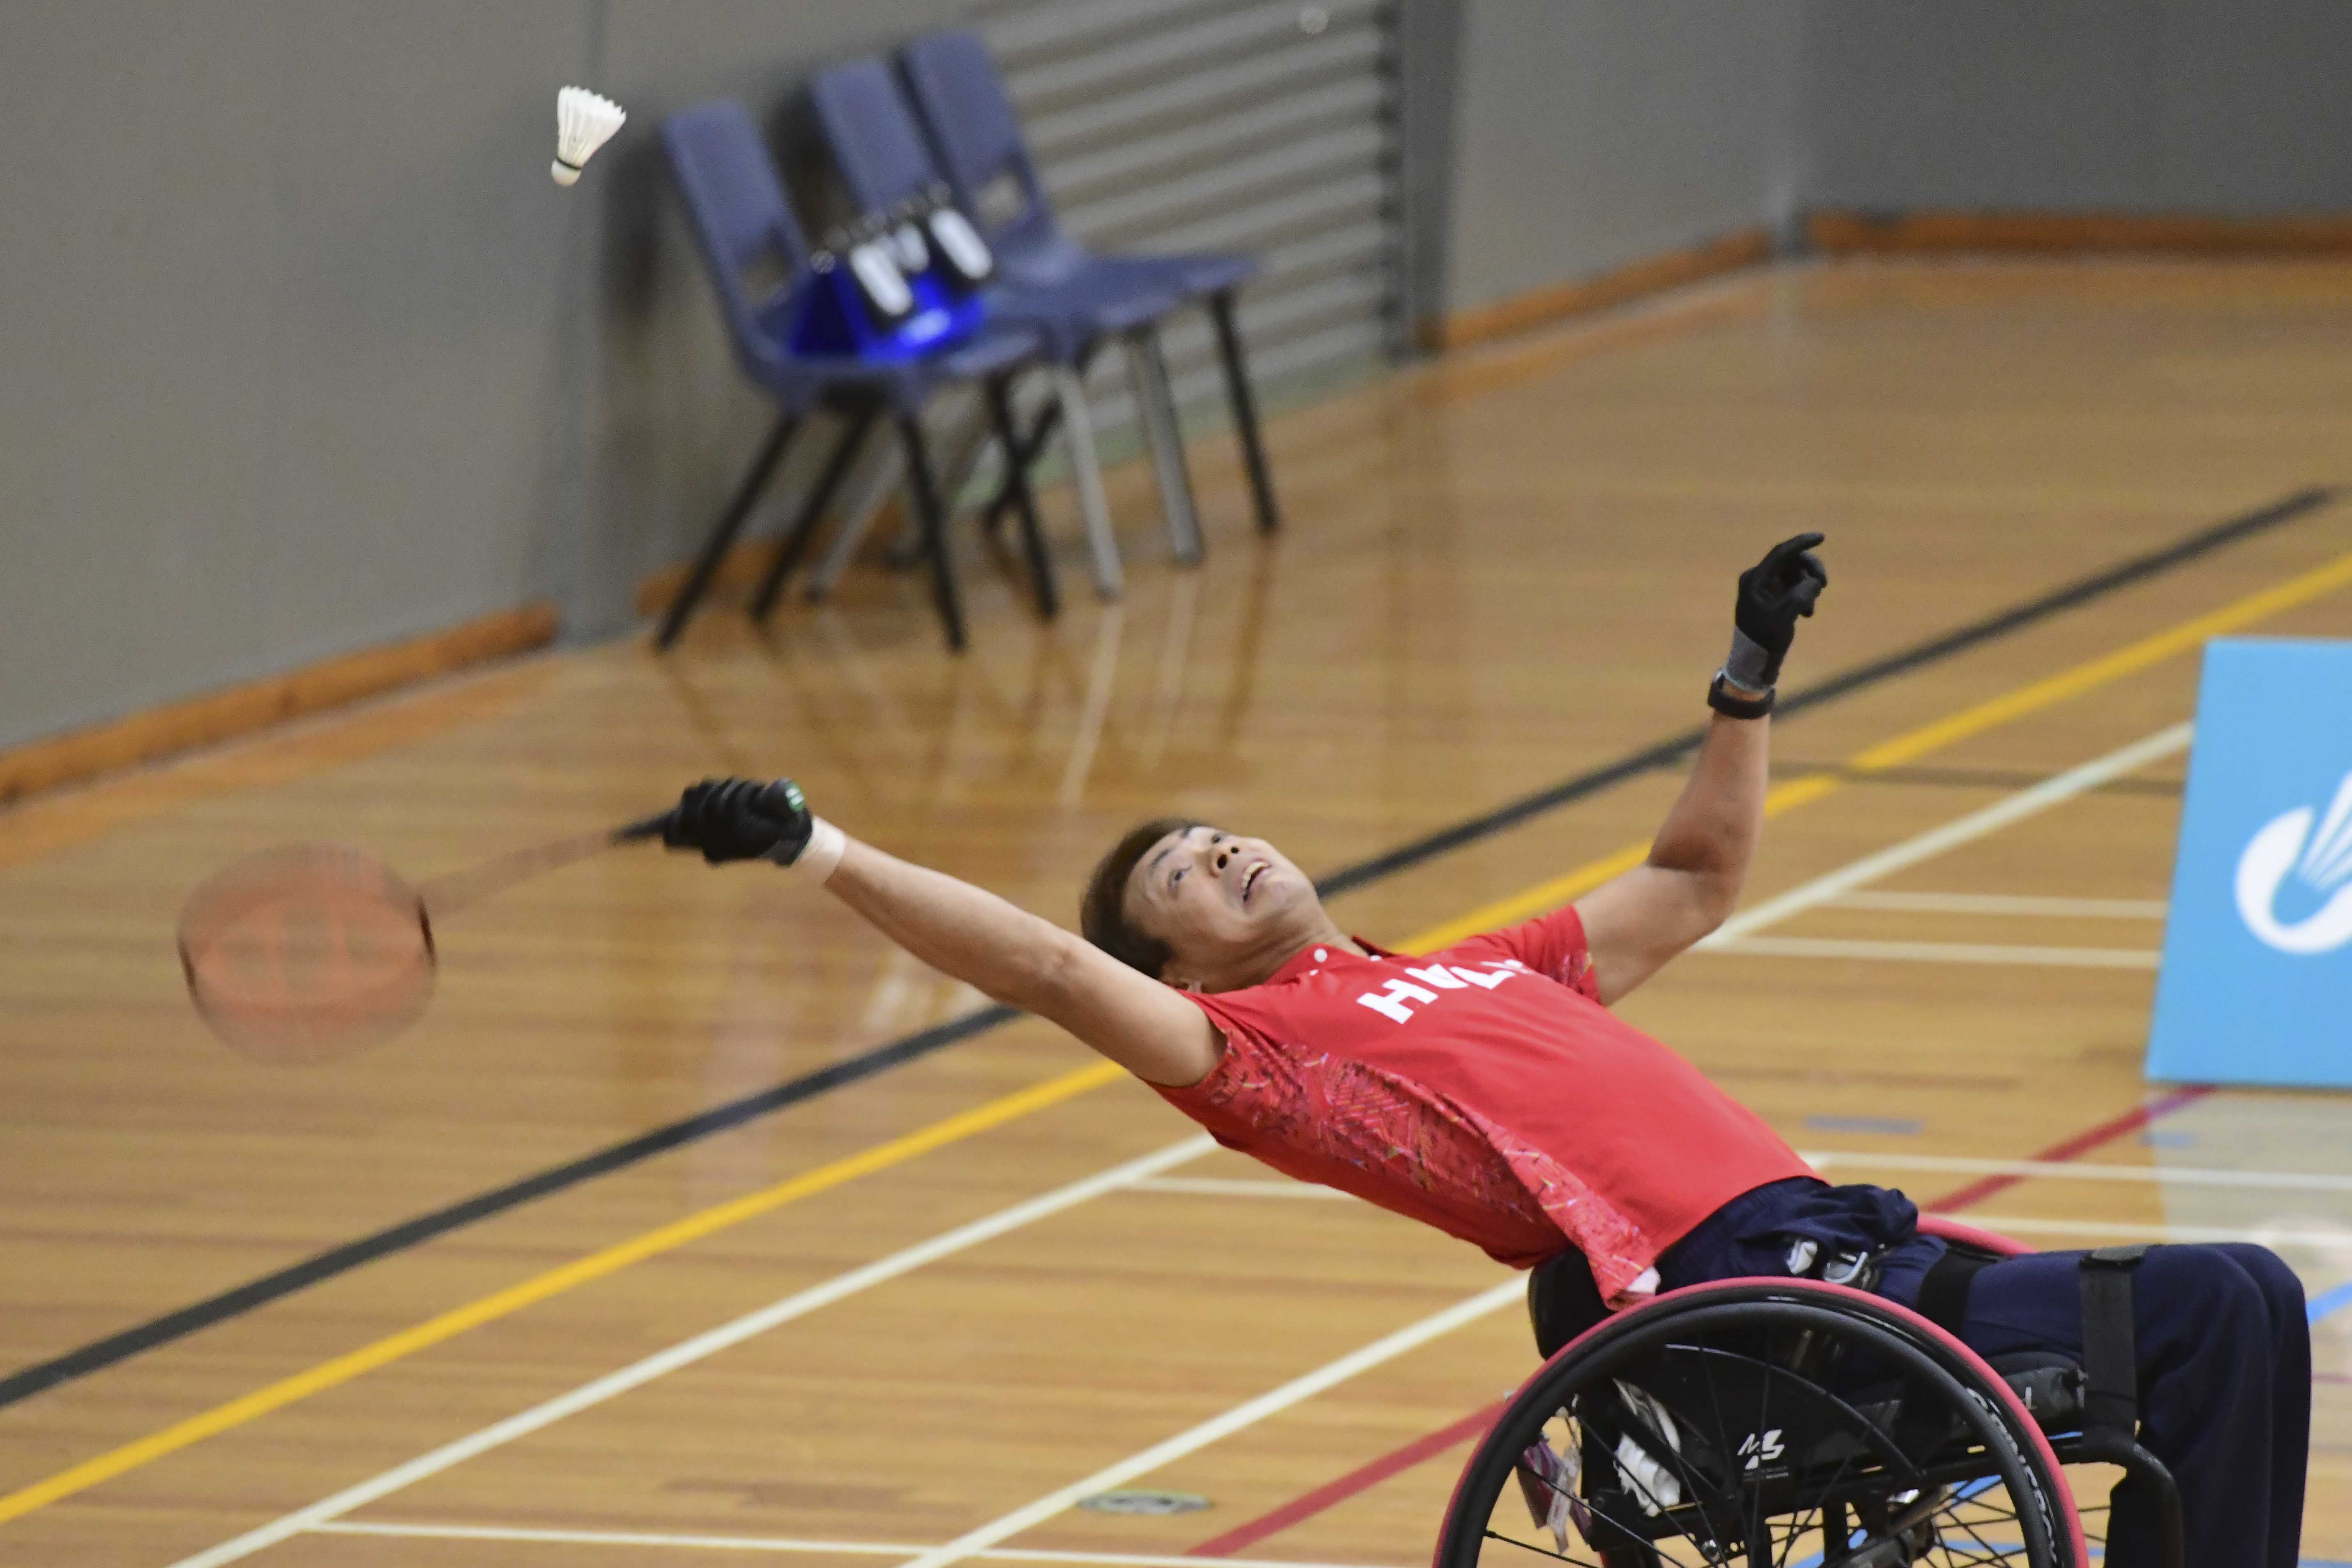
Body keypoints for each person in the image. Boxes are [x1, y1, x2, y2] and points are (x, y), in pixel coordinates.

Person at [652, 535, 2306, 1568]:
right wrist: (824, 850)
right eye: (1180, 874)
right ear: (1169, 955)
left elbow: (1693, 881)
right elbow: (1045, 972)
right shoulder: (1256, 1053)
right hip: (1753, 1299)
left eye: (1223, 832)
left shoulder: (1452, 972)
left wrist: (1747, 677)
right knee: (2225, 1299)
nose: (1223, 853)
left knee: (2231, 1315)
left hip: (1844, 1246)